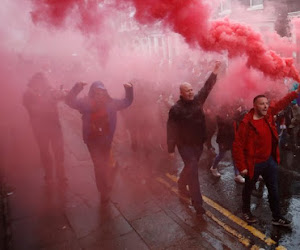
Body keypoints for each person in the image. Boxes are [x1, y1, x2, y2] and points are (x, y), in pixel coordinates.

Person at [232, 87, 300, 226]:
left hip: (269, 161)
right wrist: (242, 167)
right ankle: (246, 211)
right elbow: (237, 146)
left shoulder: (268, 114)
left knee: (273, 189)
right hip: (254, 163)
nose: (265, 106)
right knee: (249, 188)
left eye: (267, 103)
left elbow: (281, 103)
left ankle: (277, 217)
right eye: (262, 104)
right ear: (255, 106)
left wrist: (295, 93)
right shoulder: (246, 123)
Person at [167, 61, 221, 216]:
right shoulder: (176, 109)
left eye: (191, 90)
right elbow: (170, 129)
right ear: (181, 93)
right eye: (187, 91)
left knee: (191, 167)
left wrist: (215, 71)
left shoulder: (198, 100)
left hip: (198, 144)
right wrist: (171, 149)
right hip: (184, 145)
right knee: (193, 170)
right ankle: (198, 204)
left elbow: (207, 87)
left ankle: (181, 183)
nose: (191, 92)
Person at [65, 81, 133, 203]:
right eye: (96, 93)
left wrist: (129, 90)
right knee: (99, 165)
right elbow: (69, 101)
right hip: (92, 141)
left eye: (102, 92)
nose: (99, 95)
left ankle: (105, 185)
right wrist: (77, 88)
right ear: (92, 93)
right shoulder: (85, 103)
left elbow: (127, 102)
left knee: (105, 164)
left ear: (105, 93)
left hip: (106, 140)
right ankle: (103, 191)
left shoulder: (111, 104)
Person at [23, 72, 67, 184]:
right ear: (34, 83)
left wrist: (63, 93)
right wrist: (50, 100)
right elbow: (34, 110)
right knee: (44, 151)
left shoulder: (50, 91)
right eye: (40, 81)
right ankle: (49, 175)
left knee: (59, 151)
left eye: (44, 81)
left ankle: (61, 175)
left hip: (54, 126)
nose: (43, 83)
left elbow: (63, 96)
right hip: (40, 129)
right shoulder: (28, 95)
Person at [210, 105, 245, 184]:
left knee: (235, 155)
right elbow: (226, 122)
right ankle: (213, 168)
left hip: (234, 137)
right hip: (224, 138)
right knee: (221, 155)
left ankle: (237, 175)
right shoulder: (221, 109)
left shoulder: (235, 105)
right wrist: (236, 113)